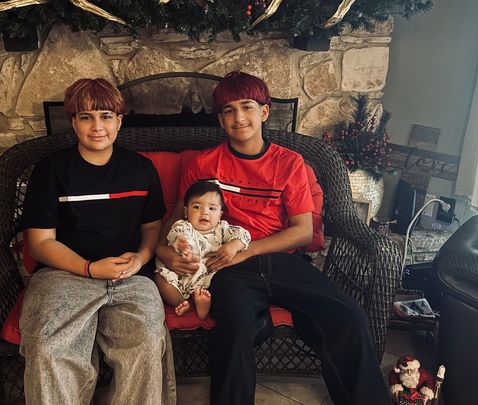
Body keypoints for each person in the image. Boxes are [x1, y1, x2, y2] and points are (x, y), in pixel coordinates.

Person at [156, 71, 391, 405]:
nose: (239, 118)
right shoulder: (203, 164)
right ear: (220, 119)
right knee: (235, 328)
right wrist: (162, 251)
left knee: (349, 316)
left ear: (264, 112)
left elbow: (302, 230)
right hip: (226, 268)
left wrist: (248, 251)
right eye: (228, 110)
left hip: (282, 262)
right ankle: (256, 326)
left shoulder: (290, 163)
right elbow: (177, 218)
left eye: (247, 107)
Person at [19, 78, 175, 404]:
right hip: (64, 275)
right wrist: (90, 268)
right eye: (86, 117)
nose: (97, 127)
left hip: (130, 276)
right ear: (73, 122)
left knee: (147, 342)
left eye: (105, 116)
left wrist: (141, 257)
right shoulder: (50, 171)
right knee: (47, 349)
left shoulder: (141, 169)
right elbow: (40, 243)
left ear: (119, 120)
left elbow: (152, 227)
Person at [155, 181, 251, 319]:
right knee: (161, 277)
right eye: (197, 207)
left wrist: (233, 246)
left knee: (226, 281)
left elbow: (244, 235)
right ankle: (181, 302)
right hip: (181, 275)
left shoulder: (222, 229)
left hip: (210, 276)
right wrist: (184, 245)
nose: (204, 212)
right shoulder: (184, 226)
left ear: (220, 214)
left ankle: (202, 303)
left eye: (212, 208)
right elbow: (177, 234)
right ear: (186, 212)